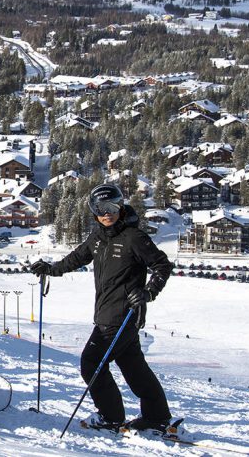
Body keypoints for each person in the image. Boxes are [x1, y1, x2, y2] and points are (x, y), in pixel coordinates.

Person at [30, 182, 174, 433]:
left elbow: (162, 266)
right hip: (108, 314)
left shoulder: (134, 237)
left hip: (123, 314)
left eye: (110, 206)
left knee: (91, 363)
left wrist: (148, 292)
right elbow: (75, 258)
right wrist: (50, 269)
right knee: (133, 367)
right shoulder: (97, 237)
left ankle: (111, 417)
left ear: (120, 205)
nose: (106, 213)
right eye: (99, 208)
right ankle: (156, 416)